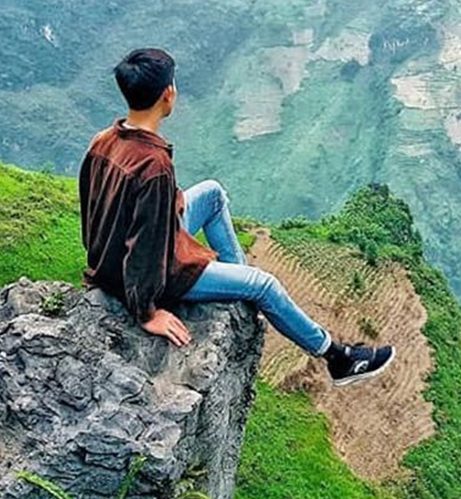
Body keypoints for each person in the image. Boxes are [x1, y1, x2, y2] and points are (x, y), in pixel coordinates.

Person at [78, 47, 395, 387]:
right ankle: (337, 358)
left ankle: (239, 286)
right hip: (155, 272)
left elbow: (93, 210)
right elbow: (145, 246)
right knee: (264, 284)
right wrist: (146, 311)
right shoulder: (154, 166)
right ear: (168, 94)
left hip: (113, 260)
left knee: (212, 193)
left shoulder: (104, 140)